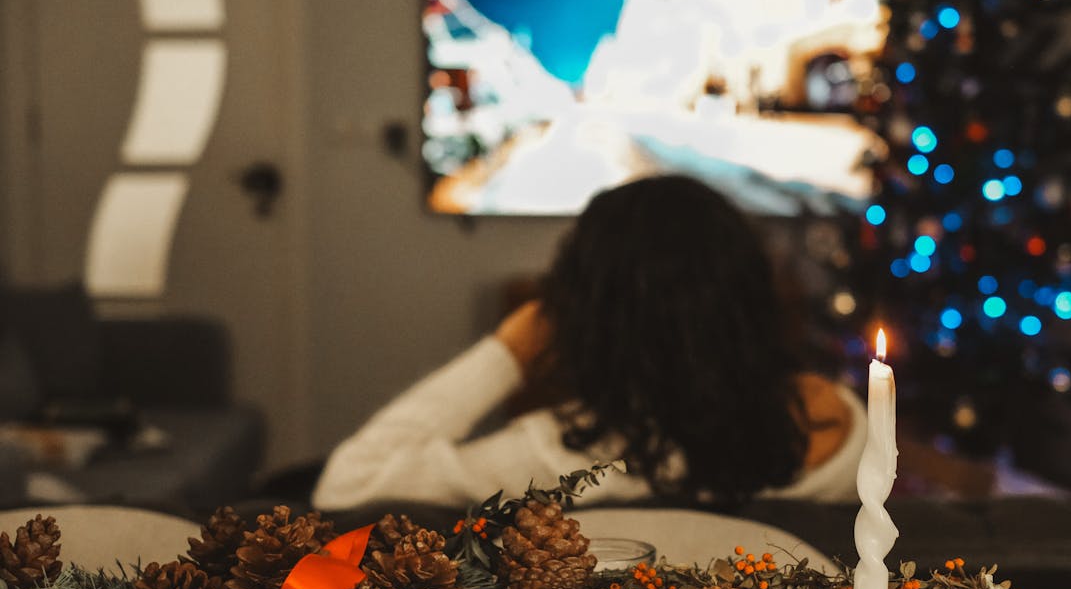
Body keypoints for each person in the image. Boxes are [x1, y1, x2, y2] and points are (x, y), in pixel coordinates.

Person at [312, 174, 867, 512]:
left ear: (580, 313)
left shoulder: (550, 457)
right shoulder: (841, 429)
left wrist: (507, 351)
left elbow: (348, 485)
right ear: (750, 295)